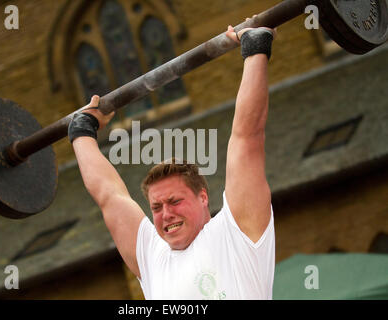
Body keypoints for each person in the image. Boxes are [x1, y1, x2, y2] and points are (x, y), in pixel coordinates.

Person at [68, 23, 276, 299]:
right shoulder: (153, 258)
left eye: (175, 201)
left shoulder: (235, 233)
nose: (166, 214)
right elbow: (108, 195)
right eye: (156, 207)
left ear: (203, 197)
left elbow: (247, 139)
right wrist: (81, 130)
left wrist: (255, 48)